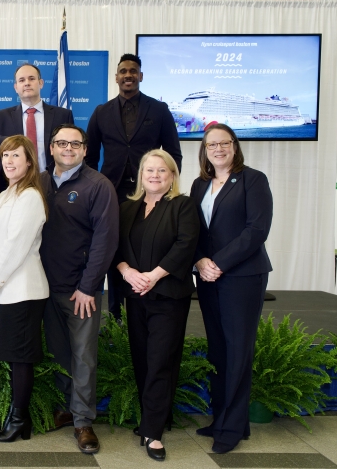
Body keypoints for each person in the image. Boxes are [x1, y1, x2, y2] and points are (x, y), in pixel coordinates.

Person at [190, 124, 273, 455]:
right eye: (212, 144)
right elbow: (192, 230)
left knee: (238, 350)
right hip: (207, 277)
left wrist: (217, 263)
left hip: (242, 276)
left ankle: (232, 427)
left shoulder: (253, 180)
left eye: (225, 143)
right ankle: (223, 416)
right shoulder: (199, 185)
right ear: (205, 151)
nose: (219, 149)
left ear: (235, 147)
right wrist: (199, 261)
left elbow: (256, 231)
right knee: (219, 351)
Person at [114, 149, 199, 462]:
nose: (154, 176)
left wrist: (154, 275)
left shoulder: (183, 205)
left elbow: (185, 245)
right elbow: (115, 248)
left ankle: (153, 432)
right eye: (149, 170)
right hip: (136, 295)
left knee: (161, 359)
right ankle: (153, 418)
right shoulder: (127, 208)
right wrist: (127, 271)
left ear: (172, 176)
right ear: (141, 175)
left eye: (161, 171)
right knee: (142, 360)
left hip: (168, 296)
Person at [85, 53, 183, 320]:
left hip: (151, 194)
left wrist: (168, 190)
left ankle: (144, 311)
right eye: (123, 71)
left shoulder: (159, 110)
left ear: (140, 76)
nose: (128, 74)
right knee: (114, 249)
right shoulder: (101, 112)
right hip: (112, 194)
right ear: (116, 77)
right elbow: (90, 157)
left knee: (147, 248)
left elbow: (174, 153)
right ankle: (115, 316)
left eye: (133, 71)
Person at [40, 124, 118, 455]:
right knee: (59, 353)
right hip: (44, 286)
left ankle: (84, 421)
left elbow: (105, 239)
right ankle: (65, 409)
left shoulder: (98, 186)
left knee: (83, 356)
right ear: (51, 147)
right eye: (61, 143)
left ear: (85, 149)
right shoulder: (40, 181)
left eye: (75, 143)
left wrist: (88, 286)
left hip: (79, 291)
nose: (68, 148)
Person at [0, 135, 49, 443]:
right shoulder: (10, 192)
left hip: (23, 290)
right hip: (8, 290)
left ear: (29, 161)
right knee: (13, 357)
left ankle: (20, 420)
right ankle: (17, 418)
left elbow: (13, 248)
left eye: (15, 156)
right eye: (5, 156)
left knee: (21, 359)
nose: (8, 161)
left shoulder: (30, 197)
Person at [0, 63, 74, 188]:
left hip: (54, 184)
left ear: (41, 83)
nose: (27, 83)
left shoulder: (62, 115)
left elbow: (73, 147)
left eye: (31, 79)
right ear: (16, 87)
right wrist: (13, 141)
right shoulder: (2, 116)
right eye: (21, 80)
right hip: (16, 185)